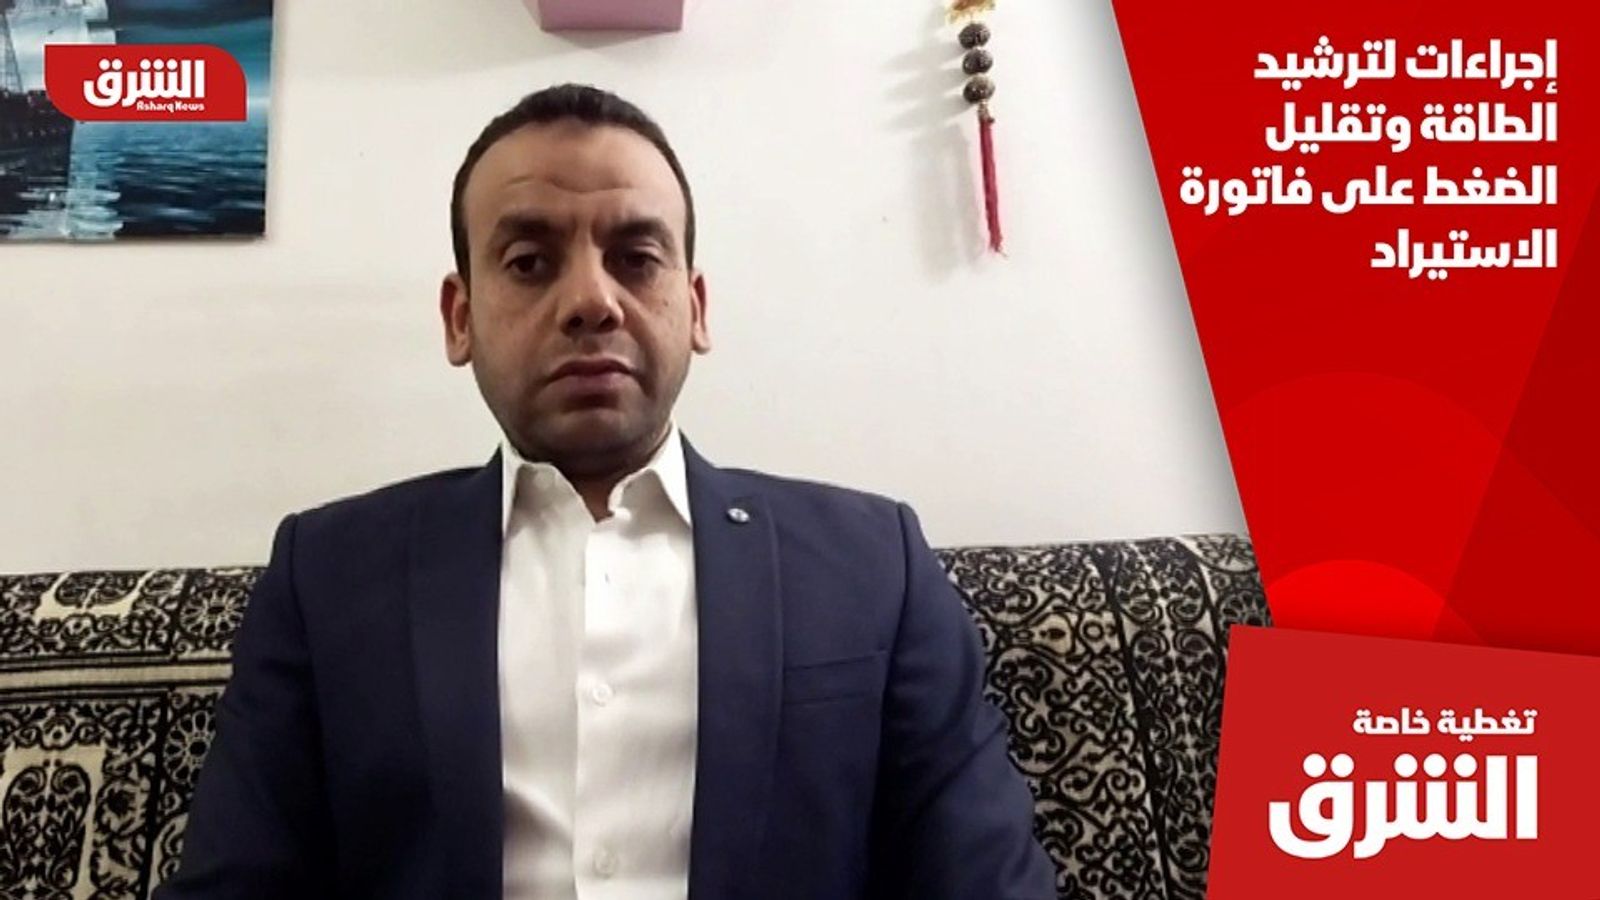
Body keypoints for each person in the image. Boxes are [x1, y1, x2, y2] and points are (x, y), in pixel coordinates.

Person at [157, 84, 1056, 900]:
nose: (592, 300)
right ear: (460, 318)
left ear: (696, 307)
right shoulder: (326, 577)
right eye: (528, 262)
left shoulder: (873, 567)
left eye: (636, 257)